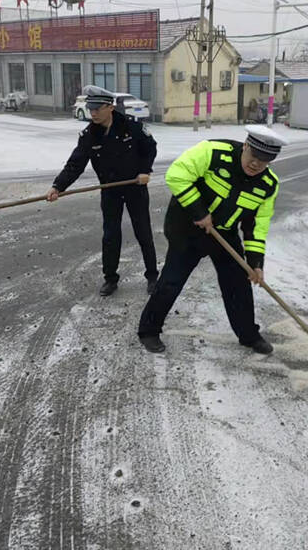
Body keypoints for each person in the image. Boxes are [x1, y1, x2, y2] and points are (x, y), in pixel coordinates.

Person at [137, 125, 287, 354]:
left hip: (223, 233)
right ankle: (149, 330)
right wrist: (199, 211)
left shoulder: (267, 185)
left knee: (239, 282)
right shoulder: (214, 152)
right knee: (172, 280)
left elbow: (257, 226)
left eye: (264, 160)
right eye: (254, 156)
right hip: (187, 226)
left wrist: (256, 263)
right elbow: (177, 174)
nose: (256, 164)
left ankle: (248, 335)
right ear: (246, 145)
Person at [47, 85, 159, 296]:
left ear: (110, 107)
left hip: (135, 187)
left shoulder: (132, 127)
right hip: (110, 191)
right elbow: (75, 164)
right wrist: (57, 186)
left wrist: (145, 171)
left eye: (98, 108)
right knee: (110, 235)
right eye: (91, 109)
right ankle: (110, 278)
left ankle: (152, 276)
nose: (93, 113)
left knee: (143, 232)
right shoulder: (89, 134)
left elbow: (150, 148)